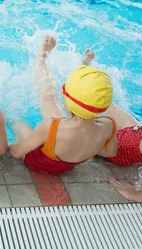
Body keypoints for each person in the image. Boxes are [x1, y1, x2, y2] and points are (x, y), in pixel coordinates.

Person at [9, 36, 118, 173]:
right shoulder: (108, 125)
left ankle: (41, 59)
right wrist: (85, 146)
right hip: (66, 165)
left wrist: (6, 147)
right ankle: (83, 66)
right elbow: (110, 152)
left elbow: (17, 153)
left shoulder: (50, 127)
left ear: (69, 100)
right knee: (48, 98)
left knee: (19, 124)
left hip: (36, 163)